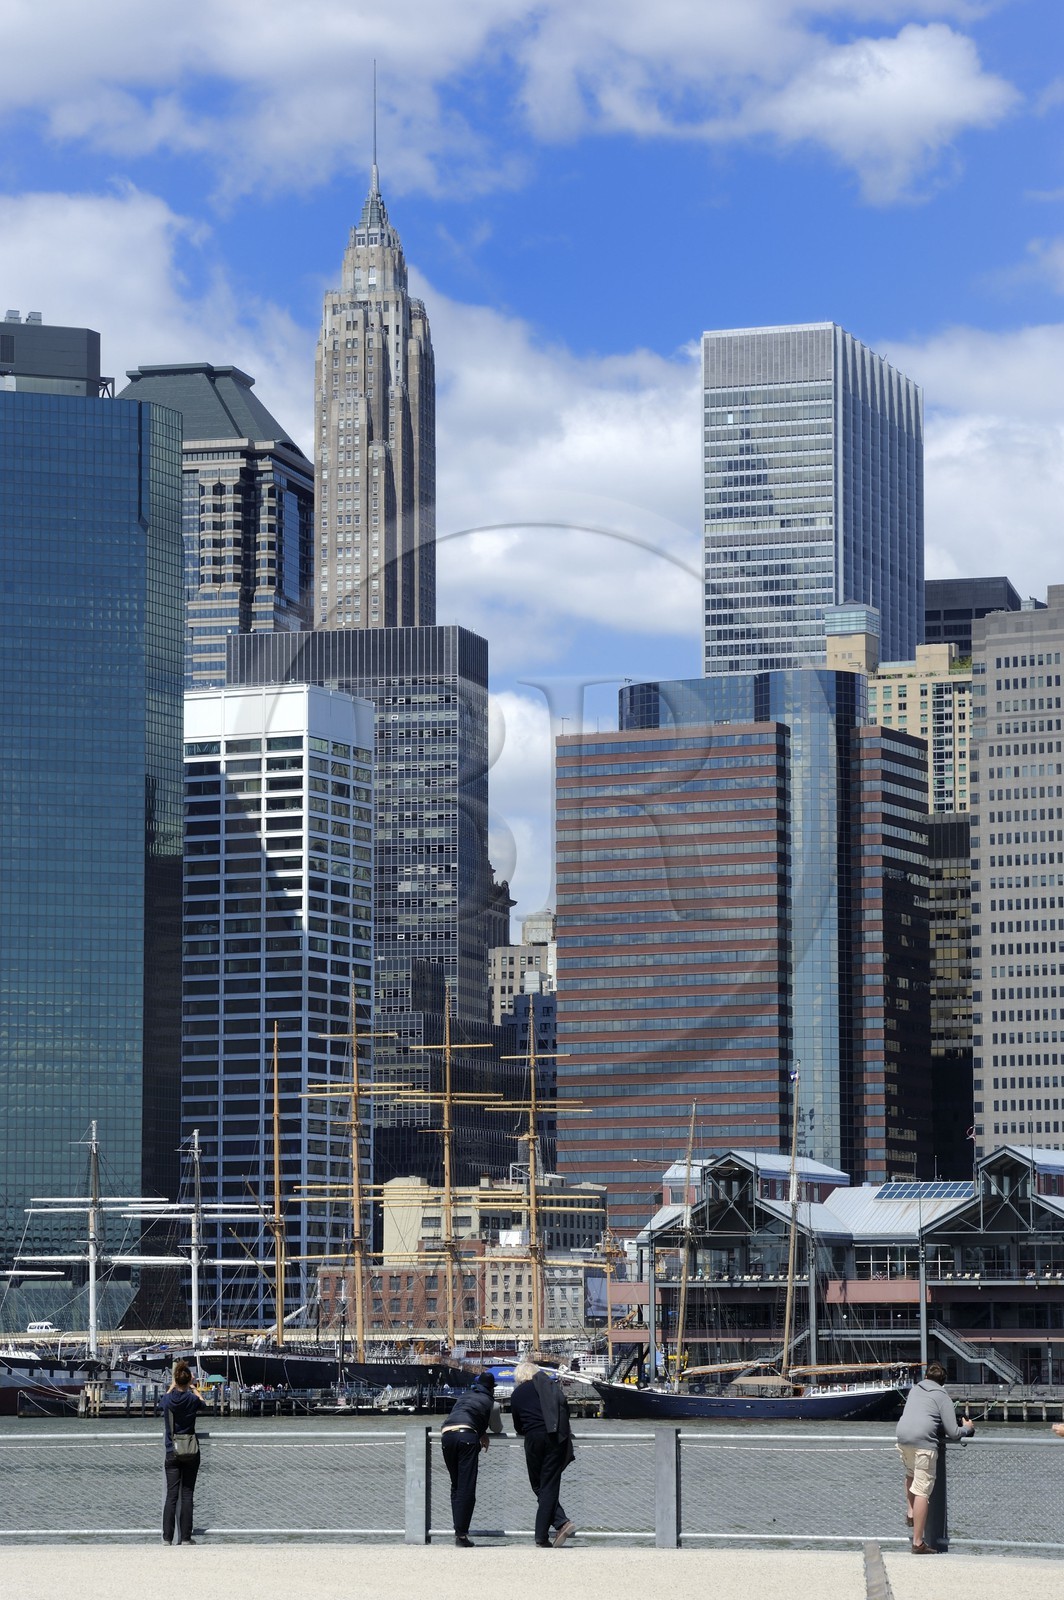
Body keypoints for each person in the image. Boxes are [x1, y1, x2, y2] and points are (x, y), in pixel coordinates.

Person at [895, 1361, 974, 1554]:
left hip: (903, 1438)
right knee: (923, 1490)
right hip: (923, 1443)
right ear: (942, 1382)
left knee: (910, 1474)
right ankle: (917, 1543)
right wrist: (968, 1428)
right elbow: (954, 1432)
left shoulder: (914, 1390)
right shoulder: (941, 1395)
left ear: (926, 1377)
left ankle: (910, 1511)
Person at [510, 1358, 576, 1549]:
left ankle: (554, 1528)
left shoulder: (516, 1395)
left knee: (538, 1485)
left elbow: (517, 1425)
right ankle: (557, 1526)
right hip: (553, 1437)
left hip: (532, 1439)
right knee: (549, 1484)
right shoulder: (546, 1388)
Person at [440, 1372, 503, 1547]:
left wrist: (480, 1430)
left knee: (456, 1485)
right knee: (467, 1487)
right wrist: (483, 1431)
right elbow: (497, 1428)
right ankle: (461, 1535)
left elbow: (464, 1415)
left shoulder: (463, 1397)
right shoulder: (491, 1403)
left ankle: (458, 1532)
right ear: (491, 1389)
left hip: (446, 1435)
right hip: (467, 1437)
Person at [159, 1359, 208, 1546]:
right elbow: (204, 1404)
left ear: (175, 1380)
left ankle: (167, 1538)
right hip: (190, 1450)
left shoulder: (168, 1399)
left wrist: (172, 1386)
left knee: (171, 1496)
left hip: (172, 1451)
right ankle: (186, 1537)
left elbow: (161, 1404)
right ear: (188, 1381)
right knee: (187, 1494)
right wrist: (194, 1388)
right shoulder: (192, 1399)